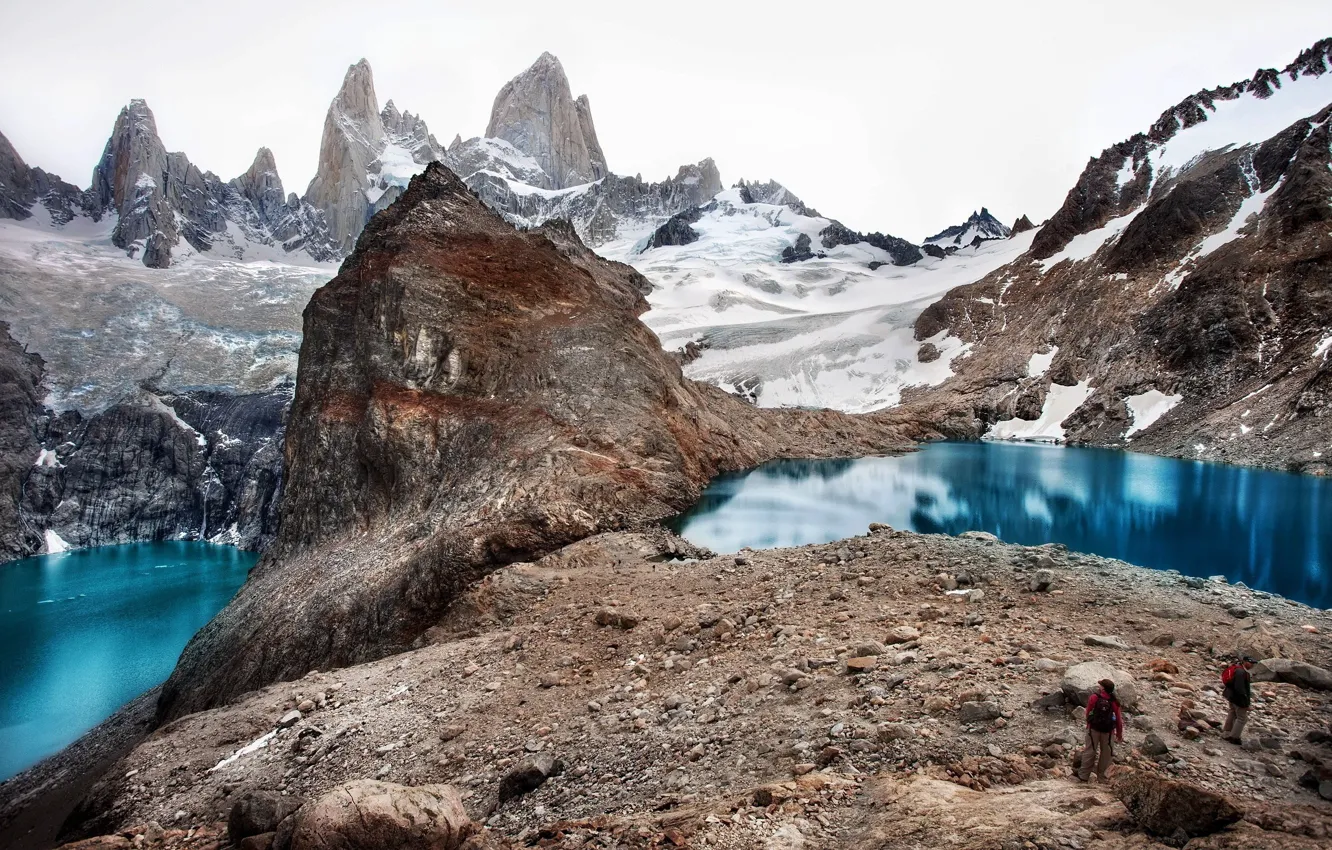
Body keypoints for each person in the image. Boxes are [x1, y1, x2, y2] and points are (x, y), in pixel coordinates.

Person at [1077, 678, 1123, 782]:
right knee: (1106, 755)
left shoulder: (1094, 697)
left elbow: (1088, 712)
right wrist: (1119, 733)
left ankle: (1083, 776)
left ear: (1103, 688)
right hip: (1108, 732)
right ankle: (1102, 778)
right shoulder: (1114, 701)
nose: (1099, 686)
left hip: (1093, 729)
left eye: (1100, 685)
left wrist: (1089, 724)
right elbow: (1119, 719)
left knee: (1090, 751)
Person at [1222, 656, 1255, 744]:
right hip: (1238, 698)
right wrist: (1245, 702)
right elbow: (1240, 688)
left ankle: (1226, 733)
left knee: (1232, 712)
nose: (1252, 665)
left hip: (1230, 696)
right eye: (1250, 662)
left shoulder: (1236, 668)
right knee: (1242, 718)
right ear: (1244, 662)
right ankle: (1234, 737)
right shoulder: (1241, 672)